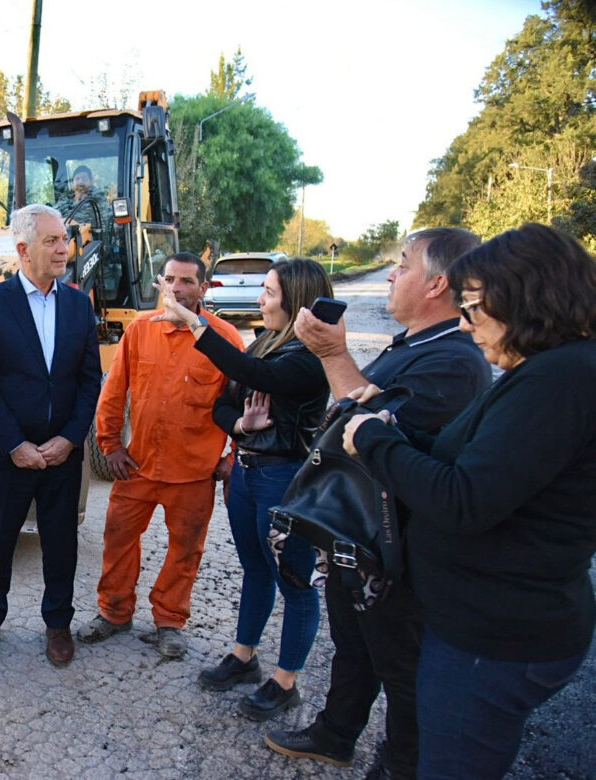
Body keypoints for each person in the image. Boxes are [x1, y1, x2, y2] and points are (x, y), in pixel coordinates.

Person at [341, 223, 596, 779]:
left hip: (492, 640)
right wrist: (397, 427)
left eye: (474, 305)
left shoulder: (558, 381)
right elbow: (479, 464)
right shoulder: (548, 371)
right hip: (486, 627)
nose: (463, 321)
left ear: (523, 297)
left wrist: (375, 440)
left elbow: (463, 499)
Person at [266, 228, 491, 778]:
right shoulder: (412, 344)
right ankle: (336, 734)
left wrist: (334, 354)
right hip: (359, 540)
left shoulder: (455, 362)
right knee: (354, 646)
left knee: (401, 665)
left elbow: (381, 444)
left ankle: (401, 764)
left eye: (404, 265)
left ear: (438, 283)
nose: (391, 273)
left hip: (400, 554)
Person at [156, 258, 332, 722]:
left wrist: (194, 322)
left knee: (293, 584)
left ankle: (286, 681)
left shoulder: (310, 359)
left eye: (270, 293)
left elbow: (255, 377)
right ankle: (244, 656)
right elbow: (222, 405)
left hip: (284, 478)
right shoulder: (264, 343)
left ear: (295, 303)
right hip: (248, 473)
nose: (260, 299)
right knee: (254, 569)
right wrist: (239, 423)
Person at [77, 252, 243, 659]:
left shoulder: (224, 338)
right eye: (171, 279)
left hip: (193, 471)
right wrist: (110, 444)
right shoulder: (139, 331)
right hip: (139, 466)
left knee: (185, 548)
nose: (178, 288)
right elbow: (113, 391)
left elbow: (245, 402)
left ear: (204, 289)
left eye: (187, 281)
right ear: (161, 283)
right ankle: (114, 612)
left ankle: (169, 621)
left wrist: (232, 456)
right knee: (117, 538)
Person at [0, 203, 101, 668]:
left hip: (62, 454)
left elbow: (88, 380)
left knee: (61, 542)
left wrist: (69, 438)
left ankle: (58, 624)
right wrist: (14, 444)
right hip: (7, 454)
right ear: (23, 249)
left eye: (64, 240)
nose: (64, 248)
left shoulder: (79, 304)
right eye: (52, 241)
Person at [55, 164, 111, 229]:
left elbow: (104, 224)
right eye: (77, 179)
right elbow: (53, 217)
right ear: (72, 183)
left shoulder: (98, 200)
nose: (80, 182)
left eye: (84, 179)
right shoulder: (64, 200)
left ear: (91, 181)